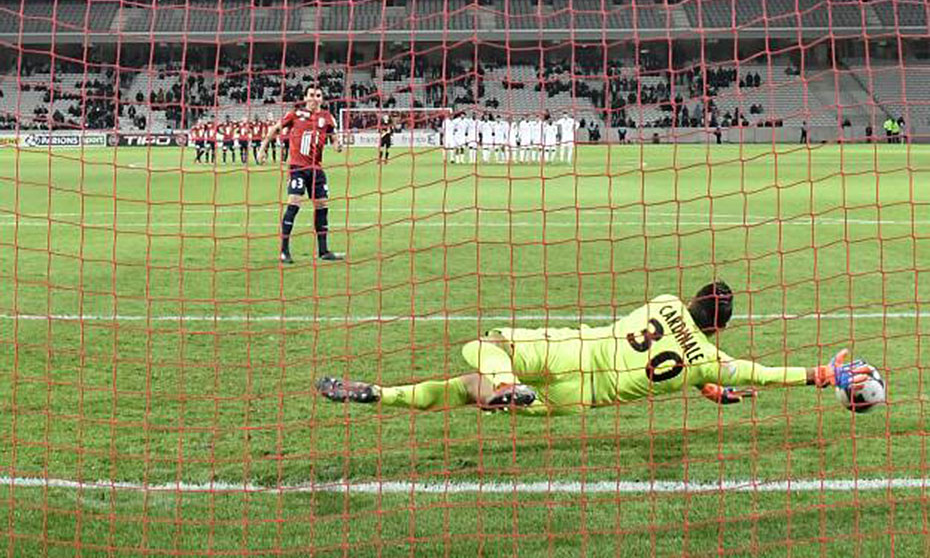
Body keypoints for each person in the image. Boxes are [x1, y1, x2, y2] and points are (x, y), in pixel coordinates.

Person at [316, 281, 872, 415]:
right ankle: (514, 393)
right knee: (471, 392)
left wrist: (707, 378)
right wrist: (820, 374)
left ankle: (387, 393)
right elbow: (762, 371)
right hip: (586, 396)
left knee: (478, 355)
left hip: (573, 351)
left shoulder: (663, 302)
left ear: (697, 296)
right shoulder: (708, 359)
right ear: (721, 328)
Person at [258, 85, 344, 264]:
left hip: (317, 170)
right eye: (311, 95)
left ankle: (323, 251)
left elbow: (334, 136)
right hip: (297, 167)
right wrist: (262, 148)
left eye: (318, 95)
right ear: (305, 97)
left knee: (322, 206)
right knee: (294, 205)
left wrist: (337, 144)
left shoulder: (327, 117)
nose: (314, 98)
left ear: (322, 98)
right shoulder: (295, 114)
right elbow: (275, 128)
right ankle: (284, 251)